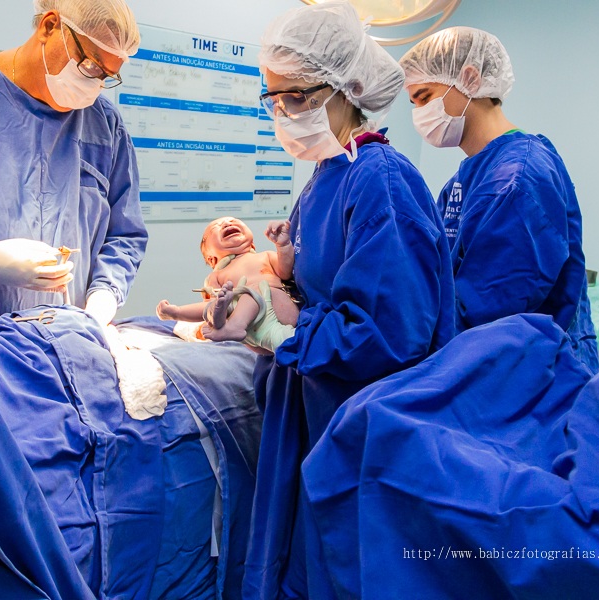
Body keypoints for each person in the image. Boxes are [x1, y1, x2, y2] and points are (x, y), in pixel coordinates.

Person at [244, 2, 456, 598]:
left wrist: (274, 328)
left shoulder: (381, 178)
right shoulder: (327, 176)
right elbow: (324, 288)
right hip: (319, 415)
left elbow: (390, 333)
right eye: (274, 99)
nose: (282, 112)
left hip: (366, 421)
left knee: (352, 570)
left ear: (344, 88)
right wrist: (280, 280)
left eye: (297, 97)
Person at [0, 0, 147, 325]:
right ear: (49, 26)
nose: (95, 86)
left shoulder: (106, 127)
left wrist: (103, 298)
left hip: (64, 346)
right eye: (90, 66)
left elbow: (124, 235)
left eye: (107, 77)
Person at [399, 27, 599, 373]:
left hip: (528, 377)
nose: (418, 111)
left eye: (424, 96)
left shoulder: (517, 179)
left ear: (470, 79)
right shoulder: (468, 177)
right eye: (413, 101)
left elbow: (488, 311)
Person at [156, 216, 298, 352]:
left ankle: (234, 325)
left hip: (281, 311)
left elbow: (286, 272)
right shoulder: (217, 275)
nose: (227, 224)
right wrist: (176, 312)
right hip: (252, 334)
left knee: (251, 290)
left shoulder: (265, 256)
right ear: (212, 259)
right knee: (217, 304)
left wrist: (283, 245)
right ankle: (222, 322)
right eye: (215, 229)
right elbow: (206, 307)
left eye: (234, 220)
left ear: (252, 244)